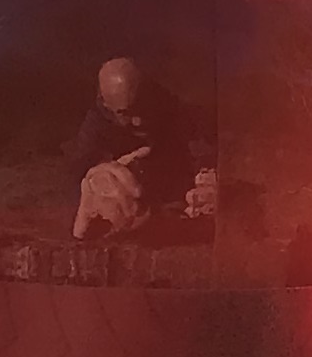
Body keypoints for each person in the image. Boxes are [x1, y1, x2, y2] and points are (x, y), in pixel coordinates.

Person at [70, 55, 219, 238]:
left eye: (141, 106)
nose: (138, 120)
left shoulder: (174, 109)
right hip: (138, 215)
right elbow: (81, 179)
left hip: (182, 206)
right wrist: (98, 179)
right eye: (126, 114)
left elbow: (208, 146)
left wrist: (207, 177)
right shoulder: (96, 128)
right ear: (106, 105)